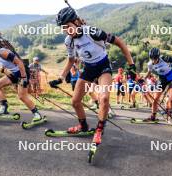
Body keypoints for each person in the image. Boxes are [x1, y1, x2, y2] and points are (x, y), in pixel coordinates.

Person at [49, 7, 135, 145]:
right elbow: (71, 60)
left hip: (103, 67)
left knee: (105, 98)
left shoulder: (92, 32)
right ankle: (83, 127)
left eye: (68, 26)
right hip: (88, 69)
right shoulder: (68, 41)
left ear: (76, 22)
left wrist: (131, 65)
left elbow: (120, 43)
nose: (67, 30)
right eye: (63, 28)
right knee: (75, 101)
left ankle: (99, 130)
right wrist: (60, 78)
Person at [0, 31, 44, 121]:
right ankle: (4, 108)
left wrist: (23, 78)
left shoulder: (2, 51)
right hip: (13, 73)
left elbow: (19, 62)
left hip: (21, 73)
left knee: (22, 96)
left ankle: (37, 114)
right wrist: (3, 68)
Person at [143, 48, 172, 123]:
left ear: (158, 57)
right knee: (155, 99)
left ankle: (169, 117)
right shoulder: (150, 64)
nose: (153, 60)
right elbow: (149, 72)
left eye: (155, 58)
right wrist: (144, 78)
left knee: (171, 99)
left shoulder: (166, 59)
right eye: (152, 58)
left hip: (171, 78)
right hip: (162, 80)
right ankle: (153, 116)